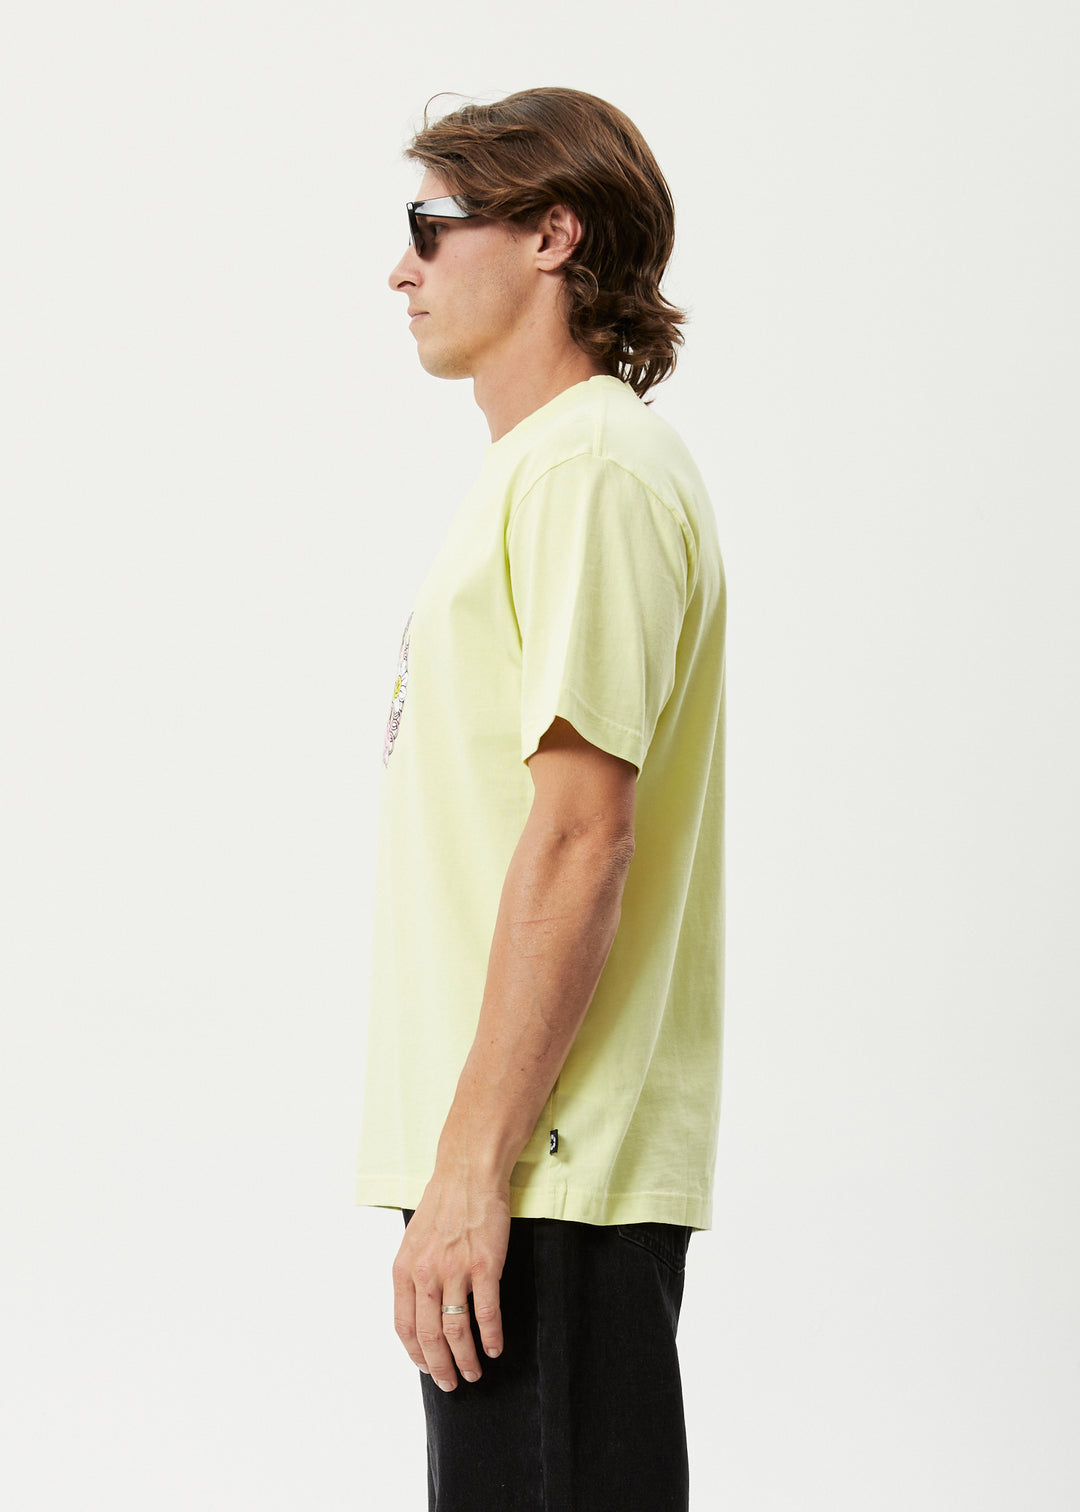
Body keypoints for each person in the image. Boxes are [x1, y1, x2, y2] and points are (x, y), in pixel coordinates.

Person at [355, 86, 726, 1511]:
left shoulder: (590, 469)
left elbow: (581, 838)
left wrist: (473, 1169)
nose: (401, 269)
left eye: (430, 226)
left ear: (552, 235)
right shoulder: (543, 473)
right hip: (518, 1159)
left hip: (539, 1165)